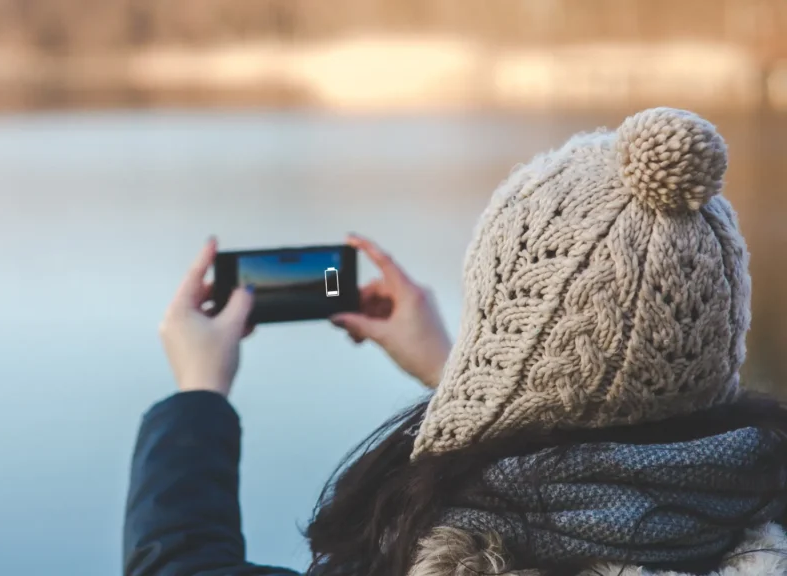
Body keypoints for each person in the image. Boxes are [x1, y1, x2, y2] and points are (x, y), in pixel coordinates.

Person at [123, 108, 787, 576]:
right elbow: (606, 442)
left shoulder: (428, 557)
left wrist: (198, 394)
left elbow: (180, 562)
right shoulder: (765, 521)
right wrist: (452, 370)